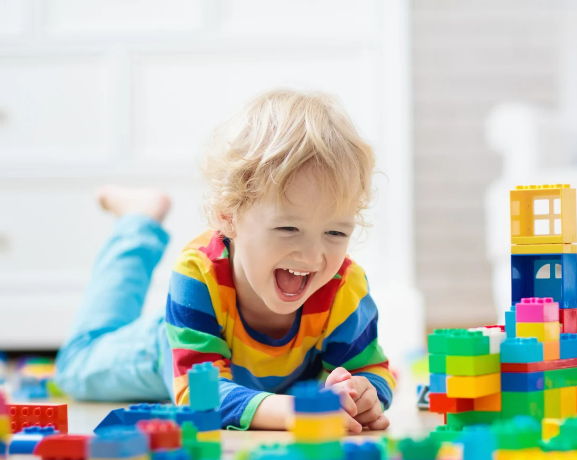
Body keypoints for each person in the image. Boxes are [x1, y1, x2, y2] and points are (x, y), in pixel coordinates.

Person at [56, 90, 394, 433]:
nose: (312, 256)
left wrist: (365, 394)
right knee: (76, 365)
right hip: (168, 346)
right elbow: (199, 393)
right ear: (228, 216)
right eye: (288, 228)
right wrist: (294, 412)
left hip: (248, 378)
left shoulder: (344, 288)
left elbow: (372, 370)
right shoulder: (198, 275)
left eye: (335, 233)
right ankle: (138, 224)